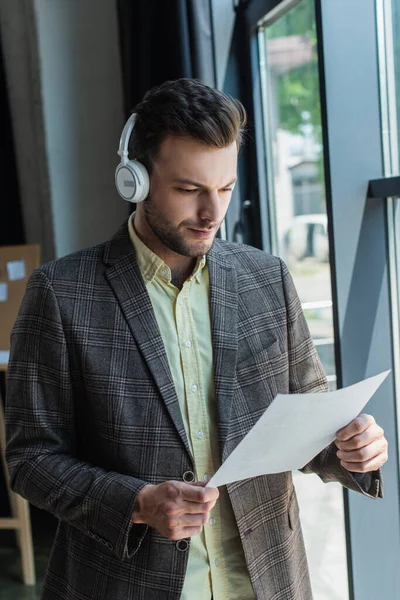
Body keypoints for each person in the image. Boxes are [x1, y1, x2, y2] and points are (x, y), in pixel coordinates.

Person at [5, 78, 387, 600]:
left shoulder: (267, 278)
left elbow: (308, 416)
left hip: (266, 582)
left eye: (225, 188)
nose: (213, 213)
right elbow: (30, 459)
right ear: (135, 179)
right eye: (189, 190)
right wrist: (136, 502)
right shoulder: (61, 293)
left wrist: (349, 448)